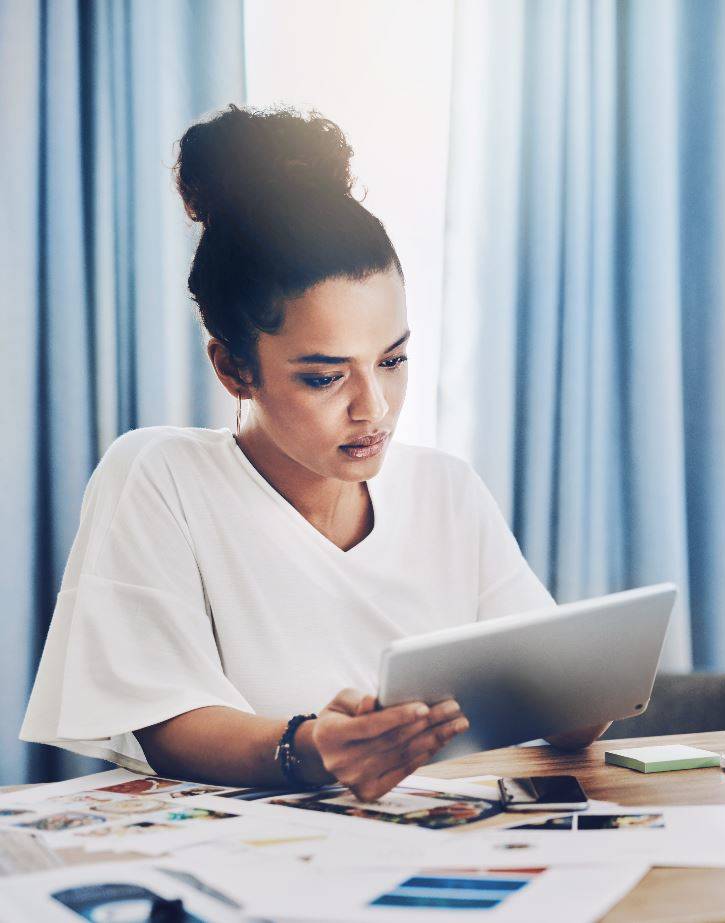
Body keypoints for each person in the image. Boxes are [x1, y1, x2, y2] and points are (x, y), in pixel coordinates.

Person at [20, 105, 607, 802]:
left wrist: (586, 699)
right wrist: (312, 747)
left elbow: (559, 700)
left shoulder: (446, 489)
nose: (375, 407)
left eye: (392, 359)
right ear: (234, 368)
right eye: (325, 376)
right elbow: (165, 722)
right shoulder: (160, 476)